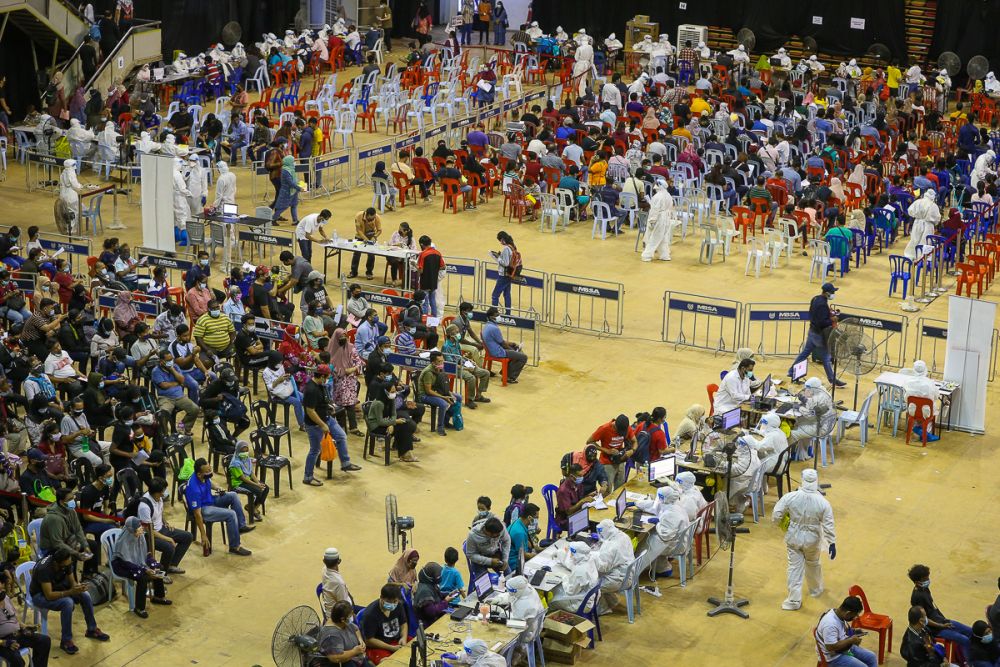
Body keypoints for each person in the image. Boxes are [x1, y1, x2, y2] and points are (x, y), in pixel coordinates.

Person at [772, 468, 836, 611]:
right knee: (813, 563)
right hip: (813, 539)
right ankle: (816, 590)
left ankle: (793, 601)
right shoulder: (823, 502)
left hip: (793, 536)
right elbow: (828, 524)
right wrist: (832, 543)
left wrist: (780, 524)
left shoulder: (790, 497)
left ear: (802, 479)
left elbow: (776, 514)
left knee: (794, 568)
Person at [29, 547, 109, 655]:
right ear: (58, 563)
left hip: (57, 587)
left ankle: (92, 629)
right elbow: (49, 595)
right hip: (40, 595)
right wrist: (70, 592)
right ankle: (66, 641)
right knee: (67, 603)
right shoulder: (45, 569)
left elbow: (73, 583)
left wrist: (79, 588)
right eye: (67, 564)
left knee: (85, 595)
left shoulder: (66, 562)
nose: (69, 565)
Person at [184, 458, 253, 557]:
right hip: (203, 510)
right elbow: (197, 514)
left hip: (210, 500)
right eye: (207, 471)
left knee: (233, 495)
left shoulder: (203, 476)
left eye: (210, 469)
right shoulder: (193, 488)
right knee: (231, 514)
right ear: (199, 474)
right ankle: (234, 547)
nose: (210, 472)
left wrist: (217, 488)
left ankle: (240, 526)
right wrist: (203, 535)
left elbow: (209, 482)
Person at [303, 365, 360, 482]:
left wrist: (329, 407)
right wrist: (322, 425)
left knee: (341, 436)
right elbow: (310, 411)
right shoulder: (311, 389)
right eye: (328, 377)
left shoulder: (321, 385)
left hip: (327, 418)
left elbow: (323, 401)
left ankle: (345, 463)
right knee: (315, 450)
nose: (329, 379)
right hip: (314, 424)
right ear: (322, 376)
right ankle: (307, 477)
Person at [110, 516, 170, 619]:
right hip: (122, 566)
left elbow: (145, 554)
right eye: (139, 528)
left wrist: (152, 564)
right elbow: (126, 562)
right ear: (132, 530)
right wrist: (145, 570)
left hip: (138, 563)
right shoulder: (123, 542)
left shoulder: (140, 536)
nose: (142, 529)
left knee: (160, 568)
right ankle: (139, 608)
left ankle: (158, 596)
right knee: (142, 578)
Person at [908, 563, 974, 656]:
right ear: (917, 582)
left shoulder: (925, 589)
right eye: (925, 579)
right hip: (935, 629)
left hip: (942, 621)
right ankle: (968, 662)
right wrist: (941, 626)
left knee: (971, 631)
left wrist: (943, 621)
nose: (928, 580)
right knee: (965, 640)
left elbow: (933, 608)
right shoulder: (917, 597)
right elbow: (924, 620)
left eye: (928, 578)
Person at [787, 283, 845, 387]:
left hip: (812, 332)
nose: (833, 294)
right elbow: (822, 322)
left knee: (804, 353)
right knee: (826, 358)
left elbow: (812, 314)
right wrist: (832, 319)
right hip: (819, 335)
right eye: (832, 292)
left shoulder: (815, 299)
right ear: (827, 293)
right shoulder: (822, 304)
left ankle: (791, 371)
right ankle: (832, 379)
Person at [137, 477, 192, 575]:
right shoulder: (144, 506)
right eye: (163, 491)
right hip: (149, 536)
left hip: (161, 528)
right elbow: (148, 530)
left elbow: (159, 512)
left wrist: (165, 522)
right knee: (169, 547)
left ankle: (171, 565)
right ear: (157, 492)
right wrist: (168, 538)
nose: (164, 493)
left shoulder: (158, 497)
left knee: (187, 537)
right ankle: (161, 574)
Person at [634, 485, 690, 577]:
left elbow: (665, 535)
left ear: (664, 498)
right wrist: (636, 503)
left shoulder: (671, 513)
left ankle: (633, 571)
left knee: (647, 543)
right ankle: (663, 568)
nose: (658, 498)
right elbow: (654, 505)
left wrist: (657, 523)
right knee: (650, 537)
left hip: (674, 544)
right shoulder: (673, 503)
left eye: (660, 496)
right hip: (678, 538)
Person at [366, 364, 418, 462]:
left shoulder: (391, 399)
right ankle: (405, 454)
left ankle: (403, 452)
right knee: (403, 427)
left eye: (394, 391)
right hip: (376, 426)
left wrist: (392, 422)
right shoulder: (378, 403)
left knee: (406, 424)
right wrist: (394, 422)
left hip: (386, 421)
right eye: (392, 391)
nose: (394, 393)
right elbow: (380, 421)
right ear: (385, 392)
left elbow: (393, 414)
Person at [0, 568, 51, 666]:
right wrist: (4, 643)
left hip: (16, 634)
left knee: (44, 641)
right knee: (18, 661)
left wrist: (24, 627)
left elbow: (13, 617)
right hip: (3, 642)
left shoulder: (5, 598)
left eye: (2, 585)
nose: (4, 588)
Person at [816, 596, 878, 667]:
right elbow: (830, 647)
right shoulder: (830, 624)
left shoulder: (838, 614)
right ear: (848, 613)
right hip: (833, 657)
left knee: (871, 657)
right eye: (854, 615)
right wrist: (851, 640)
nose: (855, 618)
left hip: (843, 647)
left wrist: (853, 632)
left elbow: (844, 630)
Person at [151, 350, 201, 433]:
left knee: (195, 409)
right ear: (161, 361)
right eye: (168, 360)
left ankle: (183, 426)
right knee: (163, 415)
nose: (171, 361)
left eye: (171, 359)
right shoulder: (156, 371)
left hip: (180, 397)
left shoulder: (175, 367)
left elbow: (182, 380)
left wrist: (171, 369)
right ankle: (165, 436)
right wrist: (177, 383)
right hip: (165, 398)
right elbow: (164, 386)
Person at [788, 377, 836, 460]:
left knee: (792, 434)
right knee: (797, 423)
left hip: (819, 427)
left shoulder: (821, 398)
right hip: (823, 422)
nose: (807, 390)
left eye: (809, 388)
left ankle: (786, 455)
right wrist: (805, 400)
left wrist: (799, 407)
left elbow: (810, 415)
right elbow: (813, 402)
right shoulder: (822, 390)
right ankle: (805, 451)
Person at [586, 414, 637, 492]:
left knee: (620, 488)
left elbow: (635, 441)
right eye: (619, 431)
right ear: (615, 425)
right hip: (607, 463)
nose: (621, 433)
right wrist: (606, 450)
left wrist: (632, 451)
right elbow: (589, 442)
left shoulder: (627, 428)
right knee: (607, 490)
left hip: (620, 460)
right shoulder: (604, 429)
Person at [360, 584, 408, 664]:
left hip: (397, 641)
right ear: (381, 598)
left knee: (415, 649)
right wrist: (391, 648)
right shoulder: (370, 614)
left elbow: (403, 623)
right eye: (389, 602)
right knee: (389, 663)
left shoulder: (398, 605)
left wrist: (404, 638)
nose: (392, 604)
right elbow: (369, 640)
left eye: (395, 601)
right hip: (380, 646)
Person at [593, 518, 635, 609]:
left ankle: (601, 608)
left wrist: (592, 556)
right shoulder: (623, 536)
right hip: (628, 575)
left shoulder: (611, 546)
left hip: (618, 580)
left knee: (588, 584)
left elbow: (603, 567)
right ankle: (612, 601)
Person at [416, 352, 461, 436]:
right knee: (443, 404)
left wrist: (449, 393)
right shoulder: (428, 373)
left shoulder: (440, 369)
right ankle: (440, 427)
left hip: (436, 391)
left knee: (458, 397)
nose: (442, 363)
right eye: (439, 361)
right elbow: (428, 391)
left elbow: (442, 385)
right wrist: (444, 397)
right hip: (424, 395)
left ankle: (445, 420)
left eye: (442, 361)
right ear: (433, 363)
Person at [549, 541, 599, 612]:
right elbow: (571, 564)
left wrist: (564, 578)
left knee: (551, 599)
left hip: (581, 604)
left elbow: (570, 591)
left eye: (572, 553)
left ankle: (550, 620)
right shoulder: (588, 560)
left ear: (578, 554)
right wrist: (560, 554)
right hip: (591, 598)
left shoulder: (580, 571)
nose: (570, 555)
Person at [482, 306, 527, 383]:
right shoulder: (494, 328)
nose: (499, 316)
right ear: (491, 317)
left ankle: (505, 372)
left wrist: (511, 344)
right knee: (523, 357)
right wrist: (513, 350)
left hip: (494, 348)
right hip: (497, 351)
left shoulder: (488, 325)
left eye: (498, 314)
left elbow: (500, 340)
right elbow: (502, 344)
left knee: (516, 349)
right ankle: (509, 377)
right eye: (496, 315)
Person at [228, 440, 268, 523]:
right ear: (238, 451)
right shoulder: (235, 463)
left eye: (247, 451)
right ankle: (252, 508)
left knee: (265, 488)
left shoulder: (246, 458)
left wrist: (258, 482)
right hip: (239, 483)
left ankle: (253, 508)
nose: (245, 453)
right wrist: (257, 486)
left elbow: (251, 472)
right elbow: (243, 478)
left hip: (247, 481)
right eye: (243, 451)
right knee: (259, 490)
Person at [904, 360, 941, 442]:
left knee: (917, 415)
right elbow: (936, 396)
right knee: (933, 410)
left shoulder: (908, 382)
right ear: (925, 370)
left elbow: (906, 398)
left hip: (912, 411)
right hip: (926, 412)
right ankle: (926, 434)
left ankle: (918, 429)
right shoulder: (929, 383)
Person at [641, 178, 675, 261]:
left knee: (655, 237)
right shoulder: (668, 195)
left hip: (660, 218)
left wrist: (652, 221)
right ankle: (665, 255)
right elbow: (671, 207)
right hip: (666, 218)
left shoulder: (657, 196)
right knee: (663, 237)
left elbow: (654, 210)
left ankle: (646, 255)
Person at [904, 189, 941, 261]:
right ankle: (922, 257)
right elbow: (937, 218)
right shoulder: (933, 205)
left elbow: (910, 211)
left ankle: (910, 256)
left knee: (914, 239)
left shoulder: (918, 202)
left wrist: (916, 216)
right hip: (928, 225)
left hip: (917, 223)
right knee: (925, 242)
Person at [348, 208, 382, 280]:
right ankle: (353, 271)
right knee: (356, 254)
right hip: (359, 236)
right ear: (366, 215)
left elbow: (379, 230)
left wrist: (374, 237)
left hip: (371, 236)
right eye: (370, 219)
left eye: (373, 219)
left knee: (371, 255)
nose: (371, 220)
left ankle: (369, 272)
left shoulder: (377, 217)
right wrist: (365, 239)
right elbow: (359, 230)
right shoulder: (358, 216)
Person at [320, 547, 353, 619]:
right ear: (339, 561)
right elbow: (343, 608)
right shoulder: (338, 583)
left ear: (324, 561)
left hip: (331, 610)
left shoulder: (324, 569)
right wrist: (354, 616)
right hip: (339, 617)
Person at [506, 502, 539, 570]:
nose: (537, 520)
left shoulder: (519, 521)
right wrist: (538, 556)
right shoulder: (520, 533)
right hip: (514, 564)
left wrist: (539, 549)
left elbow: (527, 542)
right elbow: (524, 555)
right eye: (536, 518)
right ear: (529, 517)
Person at [273, 155, 303, 224]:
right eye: (293, 161)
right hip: (287, 192)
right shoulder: (285, 171)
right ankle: (273, 219)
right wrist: (299, 188)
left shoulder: (291, 168)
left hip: (293, 191)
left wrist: (299, 184)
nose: (294, 162)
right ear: (289, 162)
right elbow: (290, 183)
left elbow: (294, 179)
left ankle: (295, 220)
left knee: (294, 205)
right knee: (283, 207)